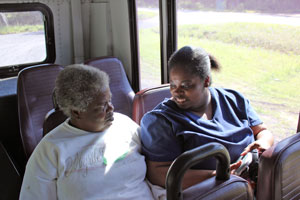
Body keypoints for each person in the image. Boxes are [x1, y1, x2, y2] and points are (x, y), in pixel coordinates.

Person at [140, 46, 274, 191]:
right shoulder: (160, 120)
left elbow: (262, 130)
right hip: (214, 191)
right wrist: (219, 176)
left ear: (206, 81)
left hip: (255, 182)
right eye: (173, 84)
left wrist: (262, 143)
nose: (177, 92)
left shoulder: (234, 99)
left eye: (186, 85)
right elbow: (157, 172)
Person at [19, 64, 154, 200]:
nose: (111, 108)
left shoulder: (126, 125)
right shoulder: (50, 149)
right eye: (102, 106)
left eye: (110, 101)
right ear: (77, 112)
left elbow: (155, 175)